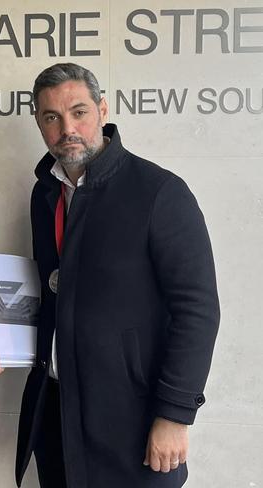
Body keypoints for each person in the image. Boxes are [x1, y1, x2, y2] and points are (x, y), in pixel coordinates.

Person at [15, 63, 220, 488]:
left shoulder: (159, 192)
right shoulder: (44, 193)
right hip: (57, 413)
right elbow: (51, 296)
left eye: (79, 112)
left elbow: (197, 310)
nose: (66, 127)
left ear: (103, 110)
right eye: (51, 117)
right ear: (38, 122)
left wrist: (175, 414)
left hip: (134, 420)